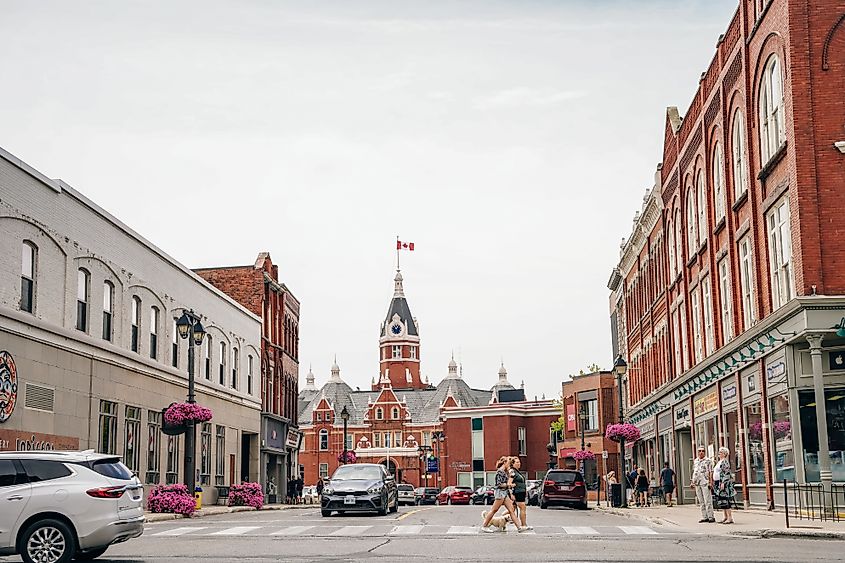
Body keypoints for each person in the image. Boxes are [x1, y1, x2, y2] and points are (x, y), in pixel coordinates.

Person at [480, 457, 524, 533]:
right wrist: (509, 485)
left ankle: (519, 527)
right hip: (500, 492)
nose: (509, 465)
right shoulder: (500, 472)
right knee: (494, 510)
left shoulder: (504, 472)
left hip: (504, 493)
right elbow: (499, 484)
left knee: (511, 510)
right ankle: (484, 526)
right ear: (504, 463)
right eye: (508, 463)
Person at [690, 445, 715, 523]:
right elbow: (695, 472)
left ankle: (711, 516)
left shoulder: (708, 461)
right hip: (697, 483)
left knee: (707, 500)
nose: (701, 452)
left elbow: (711, 471)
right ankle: (705, 516)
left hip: (705, 482)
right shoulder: (696, 461)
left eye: (703, 451)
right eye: (699, 451)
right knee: (701, 501)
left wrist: (711, 482)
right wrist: (692, 482)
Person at [509, 457, 533, 531]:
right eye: (516, 462)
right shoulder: (512, 471)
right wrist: (511, 493)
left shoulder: (517, 472)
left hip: (521, 491)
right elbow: (509, 483)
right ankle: (523, 525)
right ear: (512, 464)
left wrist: (525, 490)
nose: (519, 463)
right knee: (522, 507)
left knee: (511, 509)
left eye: (519, 462)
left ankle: (499, 520)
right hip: (517, 492)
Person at [714, 446, 735, 524]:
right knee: (722, 500)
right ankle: (725, 516)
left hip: (723, 483)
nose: (719, 454)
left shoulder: (724, 462)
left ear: (724, 454)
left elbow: (726, 473)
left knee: (725, 499)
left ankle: (730, 518)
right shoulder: (719, 462)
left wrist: (723, 482)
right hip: (718, 482)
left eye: (721, 453)